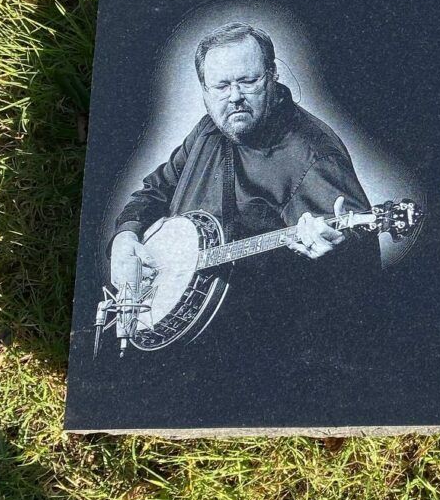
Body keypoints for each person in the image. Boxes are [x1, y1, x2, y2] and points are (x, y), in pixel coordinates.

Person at [110, 21, 377, 296]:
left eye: (248, 81)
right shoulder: (208, 129)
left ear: (272, 75)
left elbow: (359, 261)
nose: (235, 96)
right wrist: (125, 237)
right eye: (222, 86)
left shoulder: (314, 155)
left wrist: (338, 248)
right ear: (204, 90)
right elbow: (155, 190)